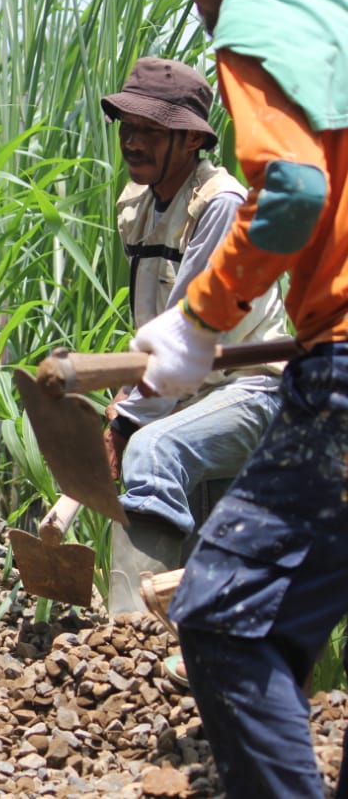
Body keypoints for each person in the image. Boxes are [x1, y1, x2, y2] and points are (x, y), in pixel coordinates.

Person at [130, 0, 348, 795]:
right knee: (285, 619)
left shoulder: (264, 6)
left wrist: (199, 321)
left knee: (225, 614)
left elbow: (292, 191)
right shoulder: (335, 6)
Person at [98, 57, 287, 618]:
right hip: (193, 394)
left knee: (155, 448)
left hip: (252, 388)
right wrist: (130, 396)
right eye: (128, 127)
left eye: (151, 131)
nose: (133, 141)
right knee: (207, 547)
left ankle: (124, 641)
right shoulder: (138, 205)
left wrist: (133, 416)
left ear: (188, 140)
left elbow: (189, 329)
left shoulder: (219, 204)